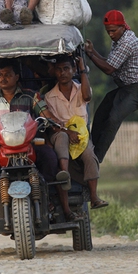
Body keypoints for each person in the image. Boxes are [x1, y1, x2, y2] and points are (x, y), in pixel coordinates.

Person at [0, 59, 72, 216]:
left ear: (17, 76)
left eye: (8, 75)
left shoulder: (31, 96)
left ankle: (46, 193)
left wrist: (55, 121)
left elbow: (44, 112)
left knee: (50, 156)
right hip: (0, 143)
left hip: (28, 142)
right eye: (0, 75)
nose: (3, 78)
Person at [45, 55, 108, 213]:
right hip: (60, 133)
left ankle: (93, 197)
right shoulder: (49, 96)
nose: (63, 73)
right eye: (59, 70)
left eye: (66, 69)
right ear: (55, 72)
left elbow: (88, 96)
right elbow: (52, 123)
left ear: (73, 70)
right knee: (62, 138)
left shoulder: (81, 88)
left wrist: (82, 69)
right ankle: (64, 175)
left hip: (81, 136)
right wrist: (67, 131)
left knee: (89, 156)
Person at [84, 9, 138, 163]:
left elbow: (108, 69)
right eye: (108, 31)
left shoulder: (127, 42)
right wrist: (92, 51)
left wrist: (91, 54)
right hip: (125, 88)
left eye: (113, 31)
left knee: (113, 118)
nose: (111, 35)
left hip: (136, 91)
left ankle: (96, 159)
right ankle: (89, 148)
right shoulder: (118, 40)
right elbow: (109, 62)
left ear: (123, 27)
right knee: (101, 112)